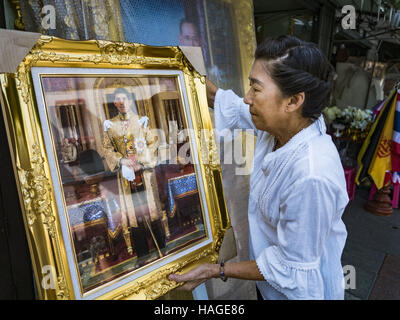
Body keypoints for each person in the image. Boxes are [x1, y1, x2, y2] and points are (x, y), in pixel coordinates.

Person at [169, 35, 349, 300]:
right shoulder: (281, 125)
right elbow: (228, 104)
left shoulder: (311, 175)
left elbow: (289, 269)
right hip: (271, 287)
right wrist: (178, 72)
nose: (247, 98)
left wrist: (215, 270)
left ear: (293, 101)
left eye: (256, 88)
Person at [102, 87, 166, 264]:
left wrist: (141, 163)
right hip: (126, 177)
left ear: (130, 101)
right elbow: (107, 149)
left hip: (144, 174)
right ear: (115, 102)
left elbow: (153, 144)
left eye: (125, 98)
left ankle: (163, 248)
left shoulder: (141, 121)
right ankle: (142, 256)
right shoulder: (110, 125)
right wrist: (122, 161)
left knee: (152, 212)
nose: (122, 102)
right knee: (135, 217)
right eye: (118, 99)